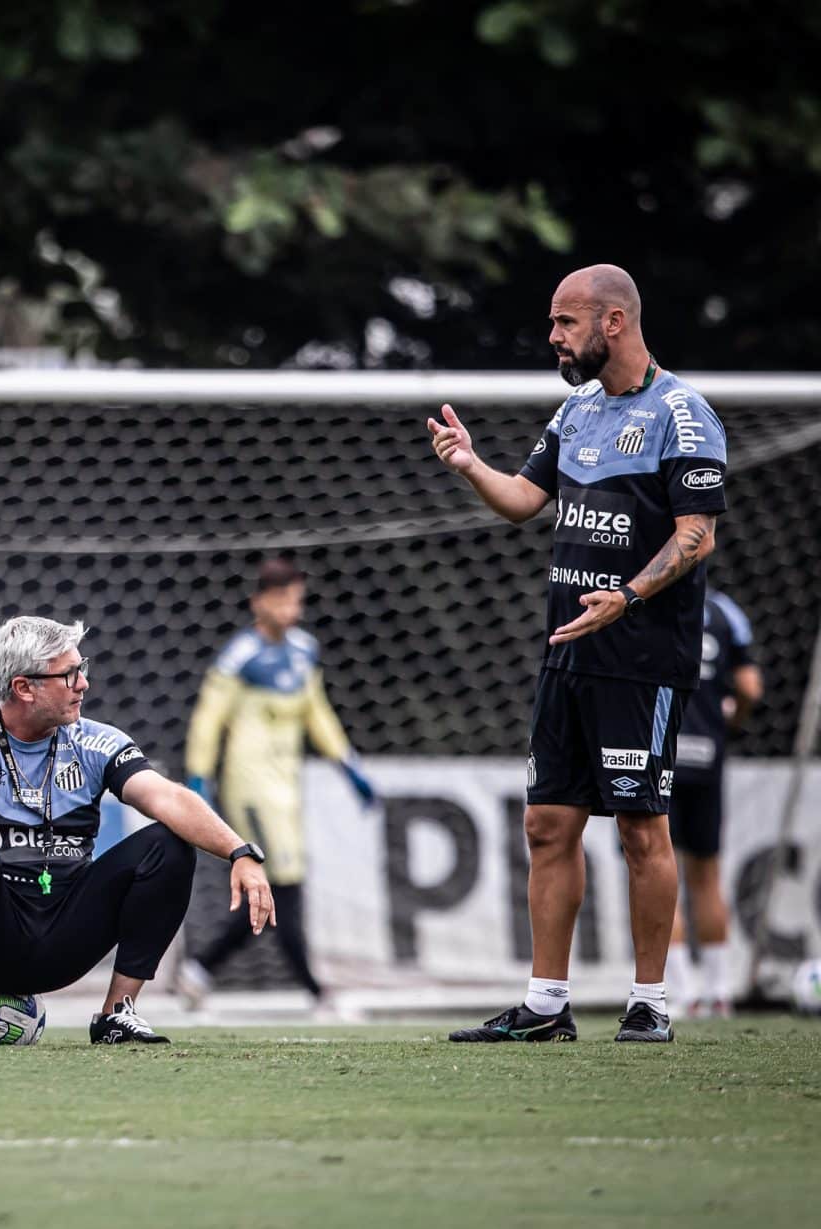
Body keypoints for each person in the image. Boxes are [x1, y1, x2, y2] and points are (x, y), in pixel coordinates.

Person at [428, 263, 728, 1043]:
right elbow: (526, 502)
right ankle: (546, 1002)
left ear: (614, 323)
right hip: (566, 650)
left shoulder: (683, 415)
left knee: (639, 827)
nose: (554, 337)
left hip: (639, 655)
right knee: (547, 824)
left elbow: (697, 534)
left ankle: (650, 1001)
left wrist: (625, 596)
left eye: (566, 323)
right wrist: (471, 467)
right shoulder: (577, 413)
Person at [0, 615, 276, 1045]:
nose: (82, 683)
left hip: (62, 937)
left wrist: (240, 852)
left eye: (81, 668)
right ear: (24, 688)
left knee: (168, 843)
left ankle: (116, 1013)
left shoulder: (94, 741)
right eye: (68, 674)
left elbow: (167, 797)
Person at [176, 557, 377, 1010]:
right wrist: (198, 775)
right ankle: (315, 990)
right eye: (283, 600)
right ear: (259, 602)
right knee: (283, 884)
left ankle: (199, 970)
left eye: (297, 600)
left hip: (286, 788)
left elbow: (317, 713)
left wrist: (348, 764)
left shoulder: (304, 650)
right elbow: (209, 719)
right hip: (249, 785)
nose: (292, 609)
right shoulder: (239, 657)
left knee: (274, 887)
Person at [665, 589, 762, 1017]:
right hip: (707, 754)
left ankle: (682, 992)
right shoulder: (727, 612)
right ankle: (720, 990)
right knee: (706, 875)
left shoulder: (643, 596)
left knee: (657, 870)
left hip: (658, 752)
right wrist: (730, 726)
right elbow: (749, 688)